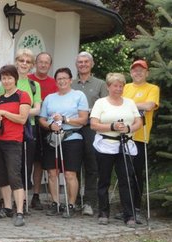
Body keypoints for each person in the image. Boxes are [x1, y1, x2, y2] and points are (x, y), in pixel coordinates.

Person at [90, 73, 143, 227]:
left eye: (121, 86)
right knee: (104, 180)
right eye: (115, 85)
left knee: (126, 180)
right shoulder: (101, 103)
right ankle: (104, 212)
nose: (118, 89)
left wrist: (129, 128)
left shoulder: (130, 103)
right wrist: (111, 126)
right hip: (105, 145)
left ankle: (129, 215)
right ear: (108, 87)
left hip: (125, 145)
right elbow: (93, 124)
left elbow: (139, 121)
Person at [39, 67, 89, 218]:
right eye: (59, 79)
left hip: (72, 138)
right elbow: (42, 119)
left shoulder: (78, 95)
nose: (61, 81)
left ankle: (71, 204)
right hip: (53, 137)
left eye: (64, 78)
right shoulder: (49, 98)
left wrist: (65, 119)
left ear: (70, 79)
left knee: (69, 173)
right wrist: (49, 125)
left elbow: (83, 119)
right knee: (52, 173)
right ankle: (55, 203)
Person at [0, 49, 41, 213]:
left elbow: (37, 109)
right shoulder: (6, 84)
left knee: (22, 168)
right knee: (5, 169)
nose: (24, 64)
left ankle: (22, 206)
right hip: (7, 131)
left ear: (31, 65)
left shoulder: (33, 85)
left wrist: (20, 111)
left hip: (27, 130)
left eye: (28, 61)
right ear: (16, 62)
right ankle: (7, 204)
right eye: (21, 60)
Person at [0, 65, 31, 226]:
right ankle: (7, 208)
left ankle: (19, 211)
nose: (6, 81)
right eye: (4, 78)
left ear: (15, 79)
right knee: (1, 176)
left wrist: (3, 113)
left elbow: (22, 119)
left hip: (14, 141)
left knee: (14, 176)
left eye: (9, 78)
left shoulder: (23, 95)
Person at [121, 59, 160, 222]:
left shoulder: (152, 88)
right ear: (130, 73)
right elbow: (117, 104)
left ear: (147, 73)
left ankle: (136, 207)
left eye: (141, 70)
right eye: (135, 70)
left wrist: (129, 105)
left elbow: (150, 105)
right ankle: (126, 208)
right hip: (122, 136)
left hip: (139, 137)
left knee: (137, 174)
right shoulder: (125, 87)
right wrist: (137, 106)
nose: (138, 72)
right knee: (124, 174)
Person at [71, 51, 108, 216]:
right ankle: (75, 200)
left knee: (91, 166)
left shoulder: (101, 84)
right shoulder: (71, 84)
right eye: (80, 62)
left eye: (86, 62)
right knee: (74, 165)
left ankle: (89, 202)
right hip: (73, 128)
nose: (83, 64)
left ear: (91, 64)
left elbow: (105, 107)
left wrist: (85, 113)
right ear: (76, 65)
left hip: (92, 130)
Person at [28, 52, 58, 210]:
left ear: (50, 65)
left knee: (39, 163)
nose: (43, 65)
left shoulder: (54, 83)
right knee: (26, 161)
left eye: (47, 62)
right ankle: (22, 196)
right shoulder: (28, 79)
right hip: (30, 123)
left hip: (47, 126)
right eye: (40, 62)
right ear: (35, 63)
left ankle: (36, 195)